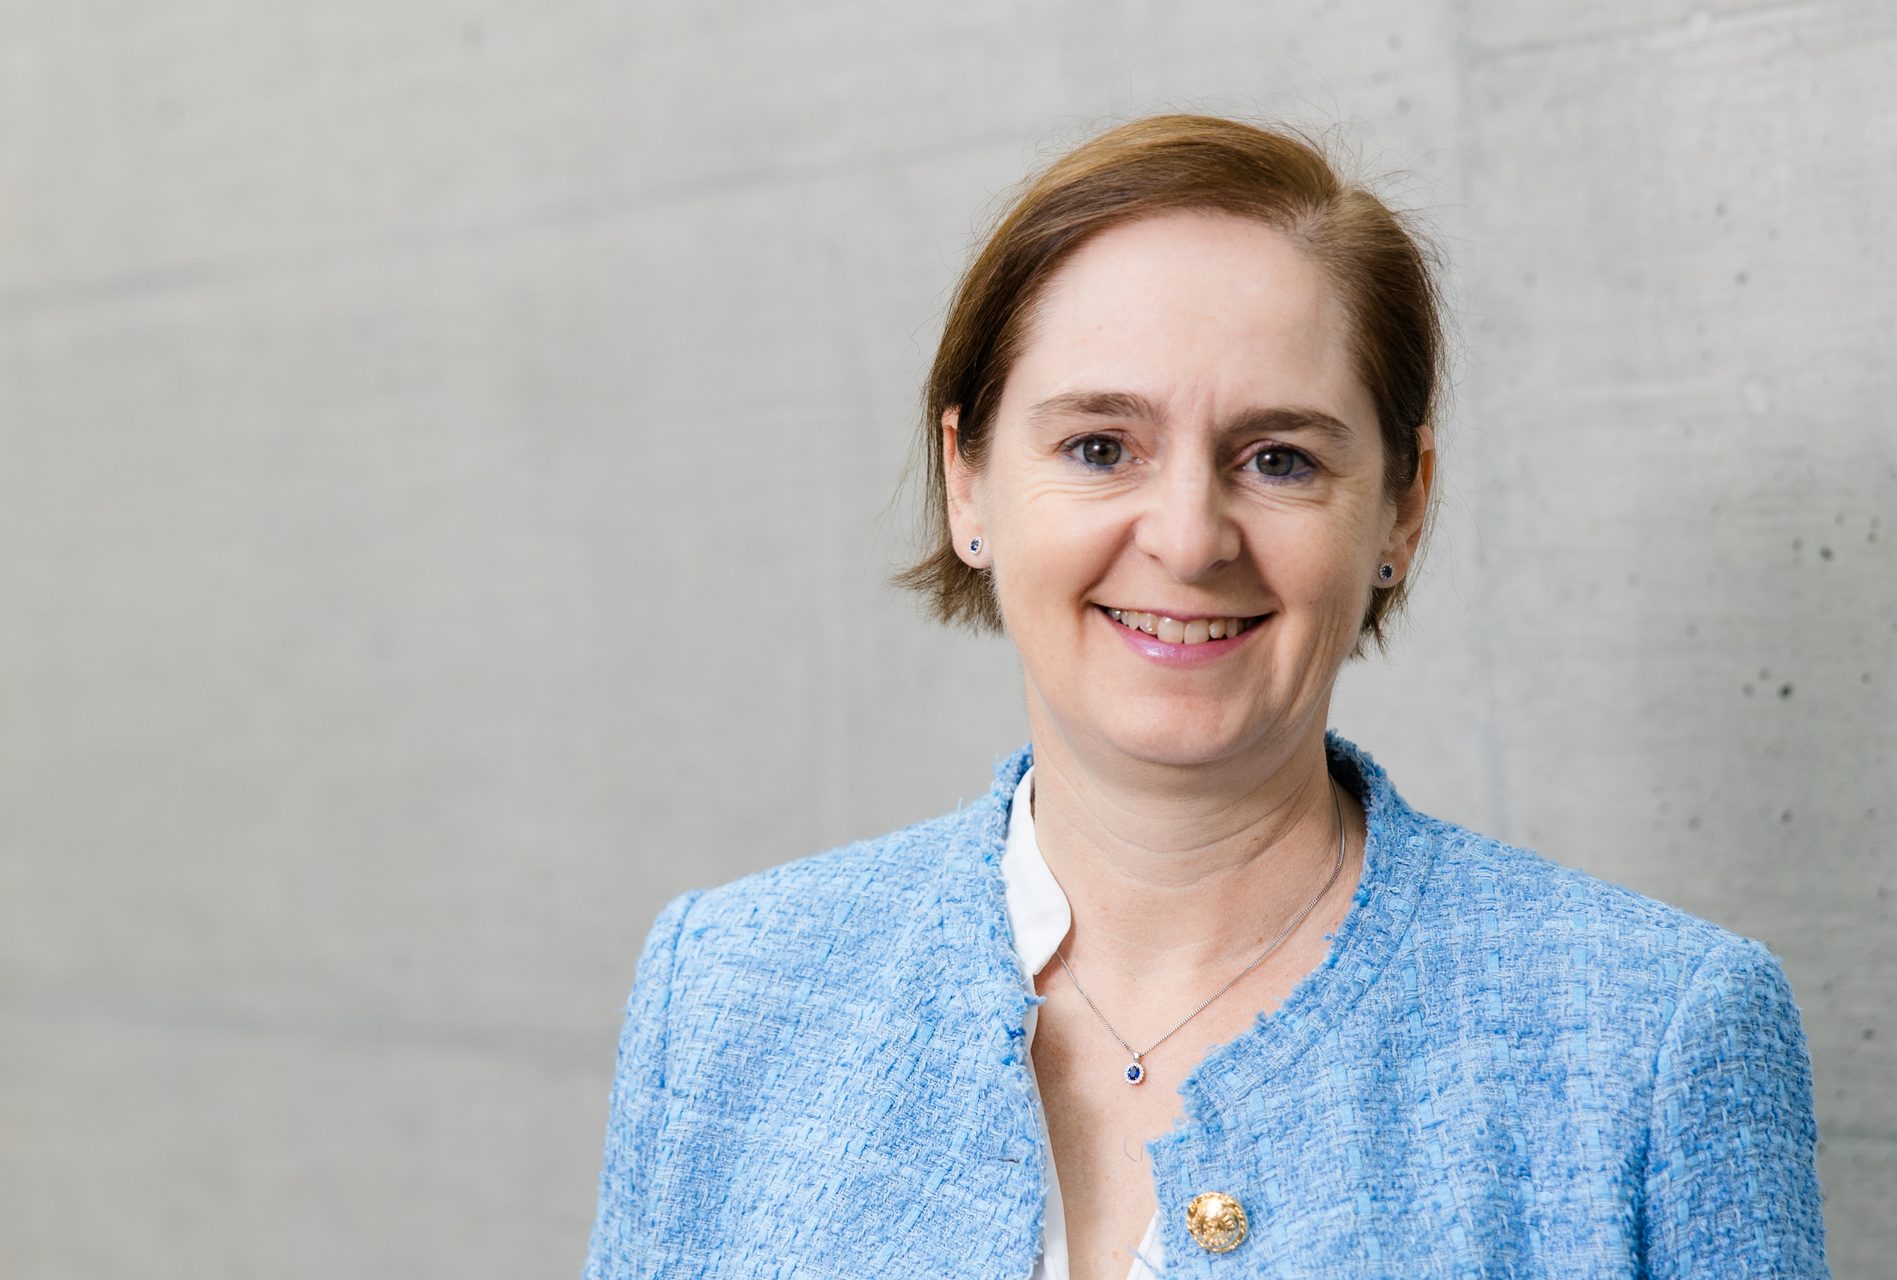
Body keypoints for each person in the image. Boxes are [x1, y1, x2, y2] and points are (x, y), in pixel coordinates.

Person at [581, 114, 1829, 1279]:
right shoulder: (728, 986)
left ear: (1401, 508)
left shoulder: (1656, 1034)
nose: (1188, 538)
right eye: (1099, 446)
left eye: (1278, 457)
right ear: (968, 482)